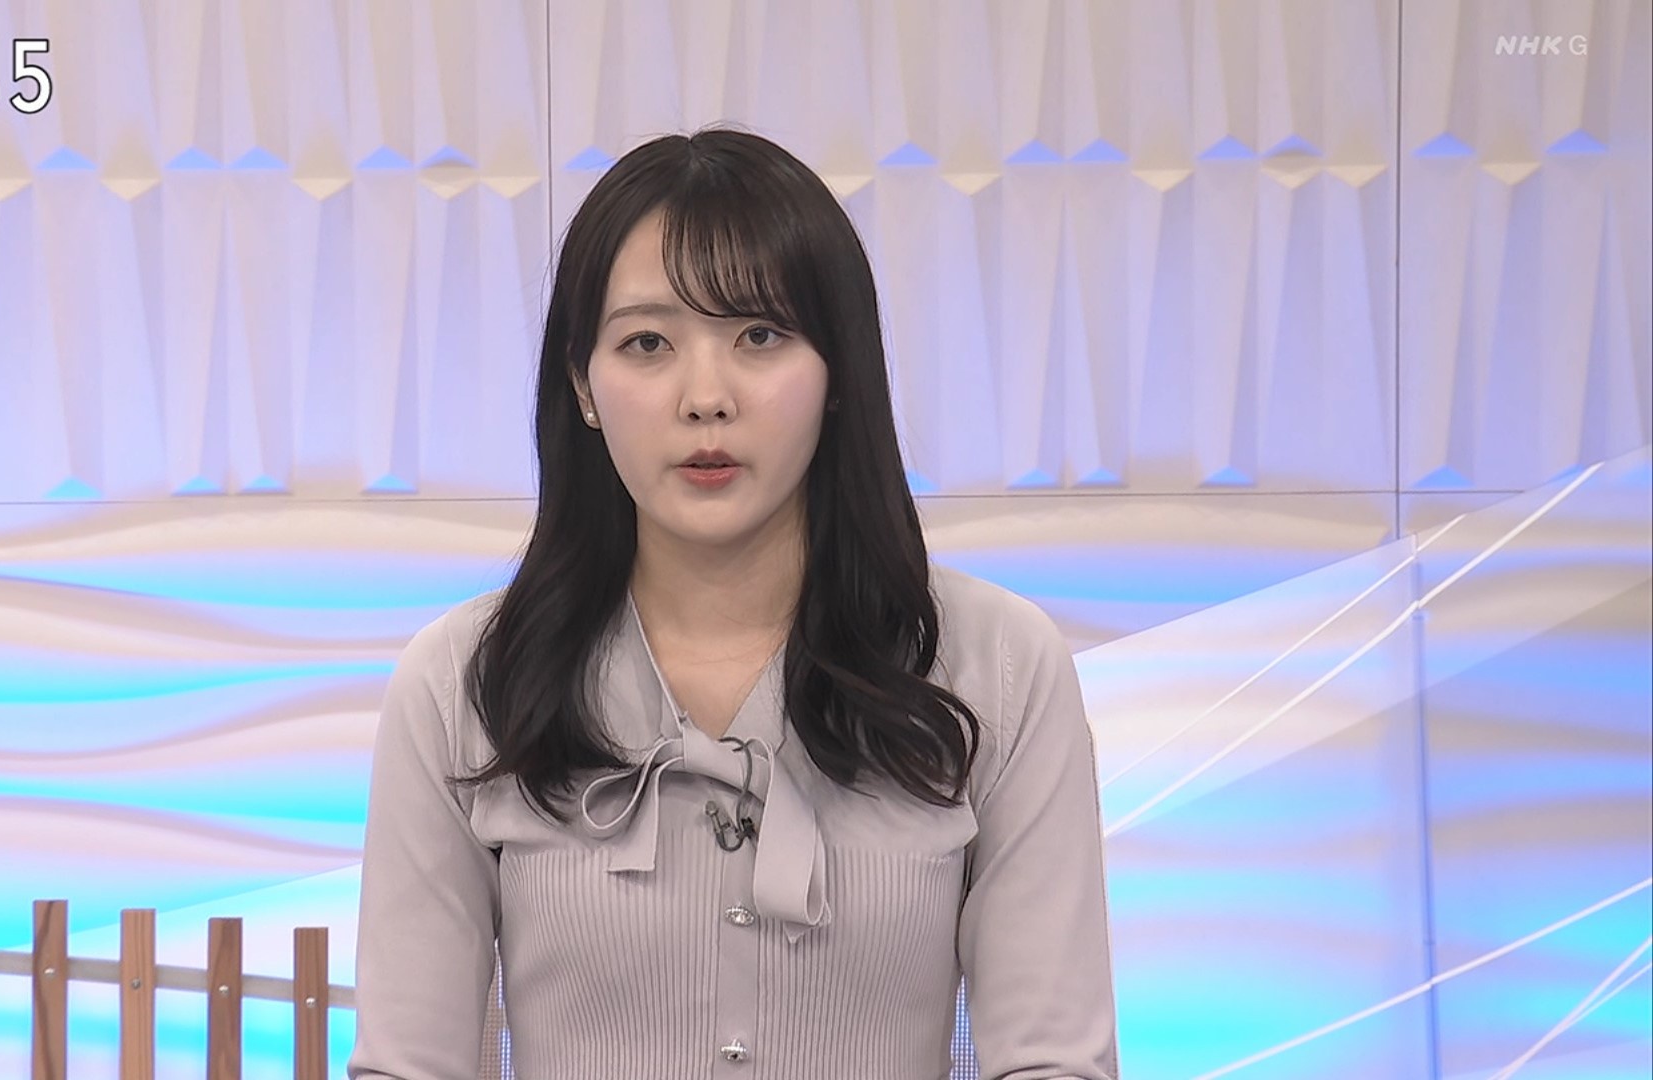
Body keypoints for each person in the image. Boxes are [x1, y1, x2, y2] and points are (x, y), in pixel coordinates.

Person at [350, 125, 1119, 1080]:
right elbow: (410, 1065)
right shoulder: (463, 685)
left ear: (838, 374)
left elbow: (1052, 1060)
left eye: (759, 335)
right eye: (647, 343)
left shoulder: (995, 667)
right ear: (583, 384)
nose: (705, 397)